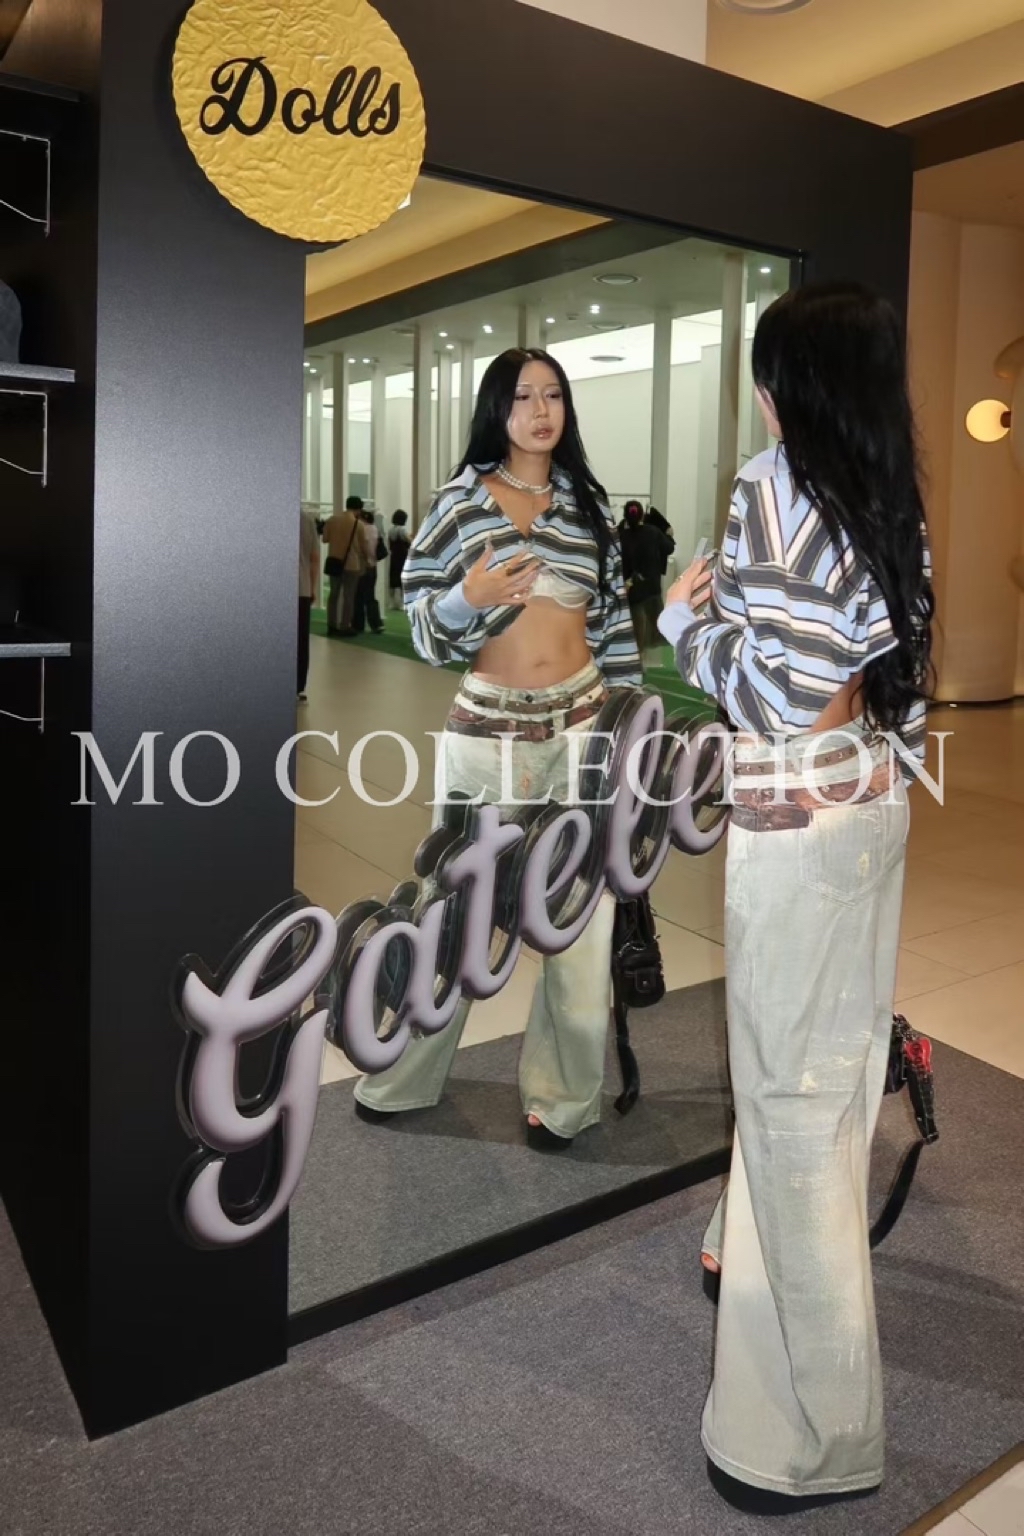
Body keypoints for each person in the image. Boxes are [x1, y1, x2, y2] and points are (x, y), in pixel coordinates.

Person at [659, 284, 933, 1513]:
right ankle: (741, 1247)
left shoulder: (773, 484)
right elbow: (893, 672)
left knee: (790, 1109)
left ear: (788, 386)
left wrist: (679, 623)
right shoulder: (886, 486)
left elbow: (765, 693)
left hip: (795, 813)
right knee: (827, 1074)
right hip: (865, 798)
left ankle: (808, 1440)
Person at [353, 347, 642, 1147]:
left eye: (553, 395)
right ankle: (405, 1076)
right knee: (454, 909)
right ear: (496, 409)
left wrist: (630, 733)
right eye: (522, 397)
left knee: (579, 922)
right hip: (486, 733)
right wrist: (466, 597)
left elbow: (614, 626)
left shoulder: (586, 504)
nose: (540, 412)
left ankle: (565, 1099)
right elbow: (422, 632)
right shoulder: (458, 503)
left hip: (582, 725)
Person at [619, 500, 672, 655]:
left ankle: (636, 657)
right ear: (642, 515)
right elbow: (669, 548)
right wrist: (668, 533)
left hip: (630, 591)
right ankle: (653, 658)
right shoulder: (653, 532)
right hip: (651, 589)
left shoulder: (620, 535)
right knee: (655, 629)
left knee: (635, 630)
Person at [322, 495, 366, 635]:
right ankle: (345, 626)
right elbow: (363, 547)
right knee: (348, 596)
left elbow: (325, 539)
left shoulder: (332, 520)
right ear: (358, 509)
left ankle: (331, 625)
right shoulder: (359, 524)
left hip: (335, 562)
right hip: (352, 564)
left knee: (333, 594)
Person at [297, 503, 319, 701]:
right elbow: (314, 558)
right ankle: (298, 685)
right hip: (301, 587)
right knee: (301, 640)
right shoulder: (307, 520)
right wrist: (312, 587)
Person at [352, 509, 384, 634]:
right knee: (370, 595)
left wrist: (366, 559)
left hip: (363, 565)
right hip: (373, 566)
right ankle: (376, 624)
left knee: (358, 596)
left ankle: (358, 624)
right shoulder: (374, 529)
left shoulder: (361, 529)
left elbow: (365, 548)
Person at [388, 509, 410, 609]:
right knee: (402, 578)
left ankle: (392, 602)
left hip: (394, 556)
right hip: (402, 556)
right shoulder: (402, 530)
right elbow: (409, 541)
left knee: (393, 577)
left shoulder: (391, 530)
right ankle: (401, 602)